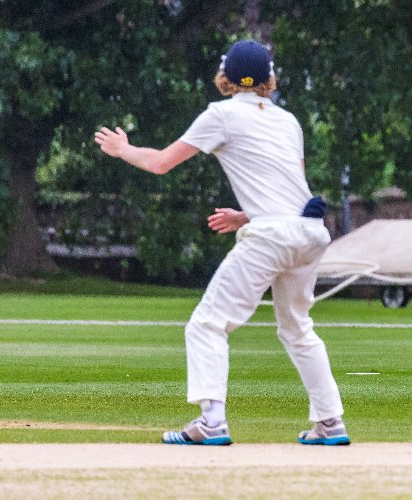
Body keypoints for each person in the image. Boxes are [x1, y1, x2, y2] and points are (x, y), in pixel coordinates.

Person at [93, 40, 350, 445]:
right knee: (298, 329)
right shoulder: (288, 121)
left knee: (207, 324)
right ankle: (331, 422)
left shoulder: (222, 114)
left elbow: (161, 163)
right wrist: (246, 215)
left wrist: (123, 150)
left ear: (225, 77)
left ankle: (211, 422)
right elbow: (292, 193)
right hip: (308, 232)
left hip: (272, 235)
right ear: (269, 78)